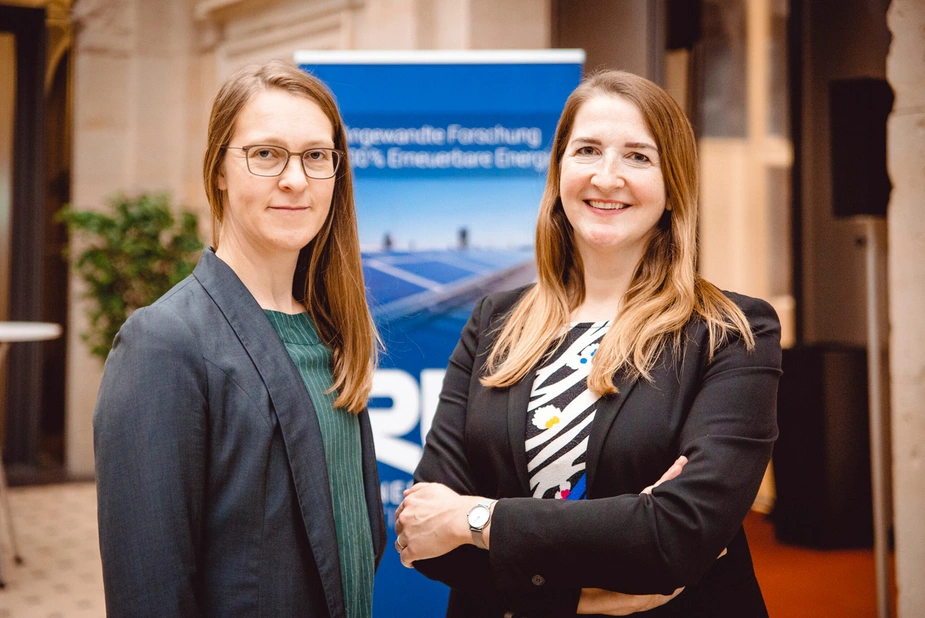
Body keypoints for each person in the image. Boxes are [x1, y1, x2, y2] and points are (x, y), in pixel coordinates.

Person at [394, 69, 781, 617]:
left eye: (638, 157)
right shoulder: (494, 322)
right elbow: (423, 532)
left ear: (674, 187)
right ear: (558, 174)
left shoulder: (730, 331)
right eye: (588, 150)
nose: (607, 176)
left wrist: (475, 519)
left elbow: (675, 536)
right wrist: (588, 596)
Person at [93, 59, 385, 618]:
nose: (296, 179)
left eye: (316, 156)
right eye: (266, 154)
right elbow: (150, 593)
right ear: (220, 170)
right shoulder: (164, 343)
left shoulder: (332, 335)